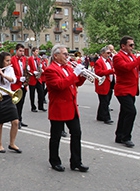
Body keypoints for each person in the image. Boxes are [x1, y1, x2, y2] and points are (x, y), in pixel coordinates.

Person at [44, 44, 89, 172]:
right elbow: (60, 85)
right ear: (55, 56)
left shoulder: (68, 67)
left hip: (71, 105)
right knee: (56, 136)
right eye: (64, 54)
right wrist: (75, 73)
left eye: (67, 53)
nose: (67, 56)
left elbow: (76, 83)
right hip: (59, 106)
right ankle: (54, 161)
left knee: (76, 133)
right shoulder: (50, 70)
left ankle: (76, 162)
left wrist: (82, 74)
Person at [113, 36, 140, 148]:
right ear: (123, 46)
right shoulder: (118, 57)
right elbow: (127, 67)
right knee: (131, 112)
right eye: (130, 45)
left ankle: (119, 136)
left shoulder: (132, 56)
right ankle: (126, 137)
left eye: (133, 45)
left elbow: (139, 69)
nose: (133, 47)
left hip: (132, 89)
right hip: (123, 89)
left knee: (124, 113)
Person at [0, 51, 21, 153]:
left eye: (9, 61)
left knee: (15, 121)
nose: (8, 62)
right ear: (1, 61)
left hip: (8, 97)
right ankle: (0, 145)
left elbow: (13, 80)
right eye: (6, 61)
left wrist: (3, 75)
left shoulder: (10, 69)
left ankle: (12, 143)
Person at [94, 46, 115, 124]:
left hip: (110, 83)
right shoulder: (99, 62)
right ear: (102, 53)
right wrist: (110, 71)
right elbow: (98, 72)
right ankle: (107, 118)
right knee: (105, 101)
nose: (109, 54)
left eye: (110, 53)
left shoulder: (109, 60)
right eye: (108, 53)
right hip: (102, 84)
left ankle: (100, 116)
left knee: (105, 101)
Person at [11, 43, 28, 129]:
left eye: (23, 51)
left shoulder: (24, 59)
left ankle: (20, 120)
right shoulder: (12, 60)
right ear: (16, 51)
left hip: (23, 85)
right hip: (15, 85)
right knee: (16, 105)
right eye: (20, 51)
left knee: (21, 104)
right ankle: (16, 121)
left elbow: (25, 70)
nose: (22, 53)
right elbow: (11, 74)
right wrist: (18, 78)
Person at [28, 47, 46, 112]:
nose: (37, 53)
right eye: (36, 51)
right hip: (32, 78)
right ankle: (33, 107)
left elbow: (41, 67)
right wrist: (33, 72)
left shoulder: (39, 59)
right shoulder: (29, 59)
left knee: (41, 92)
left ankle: (41, 106)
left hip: (39, 78)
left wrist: (42, 69)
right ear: (33, 52)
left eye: (38, 51)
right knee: (32, 94)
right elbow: (28, 69)